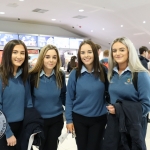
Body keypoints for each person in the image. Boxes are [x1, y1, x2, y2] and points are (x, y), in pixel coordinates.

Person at [106, 37, 150, 149]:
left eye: (122, 50)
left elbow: (146, 105)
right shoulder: (112, 74)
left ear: (129, 51)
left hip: (134, 125)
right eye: (114, 51)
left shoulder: (140, 74)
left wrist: (120, 109)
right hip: (114, 123)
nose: (117, 53)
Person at [65, 40, 107, 150]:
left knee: (95, 147)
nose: (86, 55)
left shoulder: (103, 70)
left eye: (89, 52)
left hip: (99, 119)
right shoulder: (75, 73)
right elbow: (69, 97)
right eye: (83, 52)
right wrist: (69, 120)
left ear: (95, 53)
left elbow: (110, 93)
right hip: (79, 119)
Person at [29, 44, 66, 150]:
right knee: (42, 147)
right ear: (42, 58)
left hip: (57, 119)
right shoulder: (32, 76)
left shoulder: (60, 75)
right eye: (47, 57)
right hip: (39, 120)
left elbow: (63, 96)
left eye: (54, 57)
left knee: (52, 146)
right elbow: (29, 100)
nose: (51, 60)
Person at [0, 40, 33, 150]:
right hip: (5, 129)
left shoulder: (24, 77)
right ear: (8, 54)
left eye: (22, 53)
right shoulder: (1, 77)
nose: (19, 56)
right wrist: (8, 133)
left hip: (22, 128)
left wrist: (31, 125)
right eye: (15, 52)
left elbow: (28, 103)